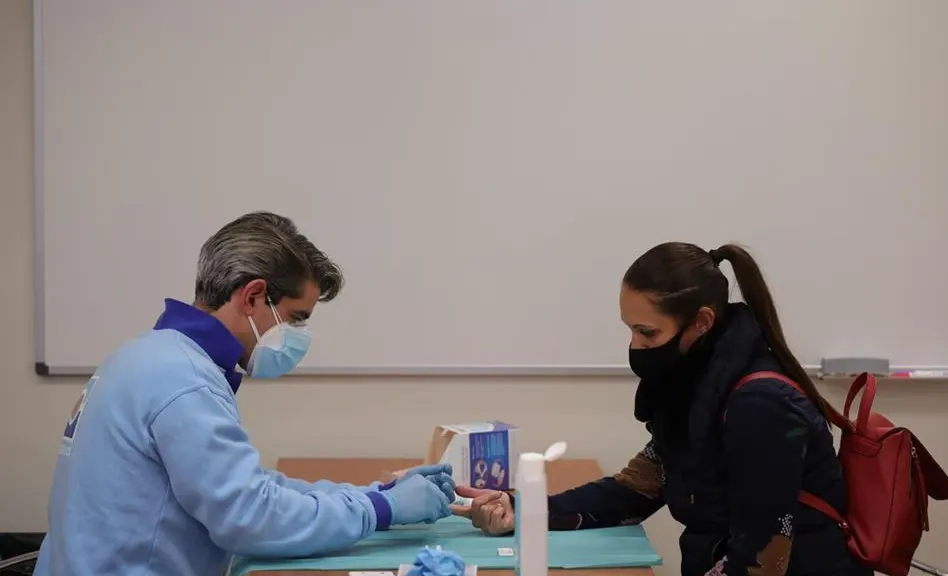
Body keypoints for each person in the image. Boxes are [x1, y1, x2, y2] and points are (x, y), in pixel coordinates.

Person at [34, 212, 456, 576]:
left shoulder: (147, 355)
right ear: (253, 295)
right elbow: (251, 518)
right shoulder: (185, 381)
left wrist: (372, 493)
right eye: (295, 318)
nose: (299, 337)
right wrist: (383, 511)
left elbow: (249, 487)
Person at [453, 243, 871, 576]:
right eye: (630, 329)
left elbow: (761, 560)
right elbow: (638, 488)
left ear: (702, 322)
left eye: (647, 332)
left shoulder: (761, 406)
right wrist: (521, 509)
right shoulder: (697, 382)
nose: (635, 346)